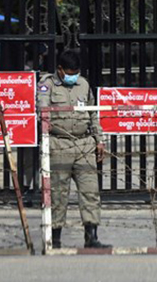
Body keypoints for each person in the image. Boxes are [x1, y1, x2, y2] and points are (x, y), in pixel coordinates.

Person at [36, 49, 110, 249]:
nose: (73, 75)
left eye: (76, 71)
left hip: (84, 144)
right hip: (59, 144)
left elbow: (93, 113)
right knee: (58, 193)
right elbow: (42, 113)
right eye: (69, 71)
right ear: (60, 70)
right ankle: (55, 237)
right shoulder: (47, 86)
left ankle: (91, 235)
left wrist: (99, 140)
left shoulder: (84, 84)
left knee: (90, 191)